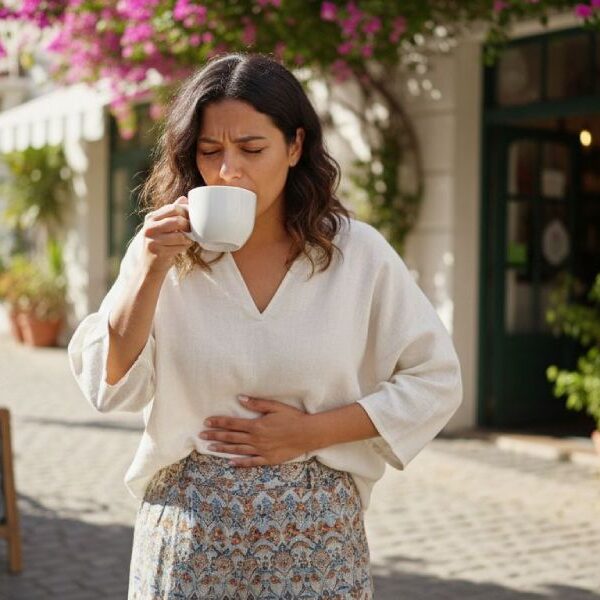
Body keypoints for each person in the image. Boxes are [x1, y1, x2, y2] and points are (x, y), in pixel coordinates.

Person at [68, 52, 462, 599]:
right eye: (210, 151)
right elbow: (110, 384)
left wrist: (312, 431)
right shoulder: (163, 250)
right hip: (187, 536)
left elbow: (435, 379)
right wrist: (148, 271)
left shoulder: (357, 254)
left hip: (317, 537)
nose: (229, 169)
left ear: (295, 146)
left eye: (252, 149)